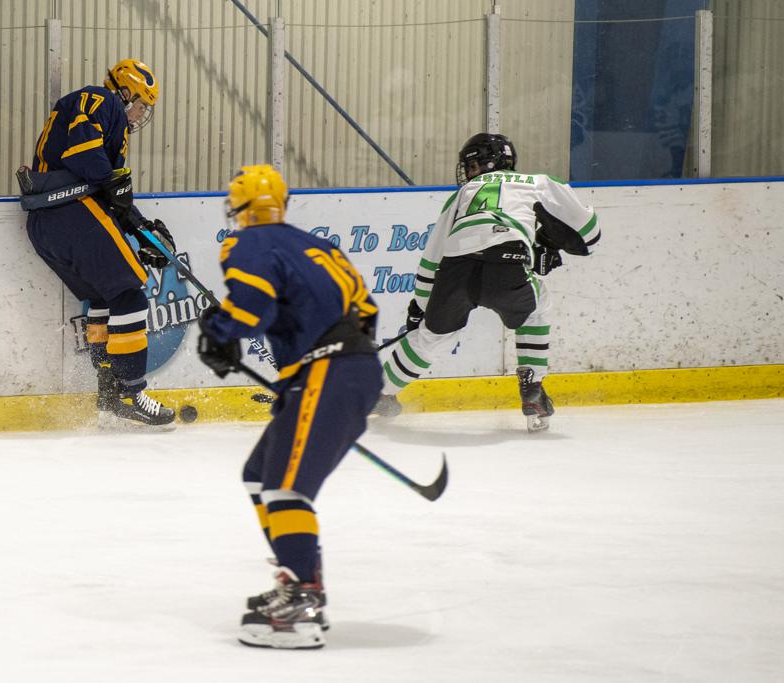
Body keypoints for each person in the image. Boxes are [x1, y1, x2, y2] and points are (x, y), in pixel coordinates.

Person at [197, 164, 382, 649]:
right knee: (259, 475)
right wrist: (309, 369)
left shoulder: (246, 242)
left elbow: (252, 304)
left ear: (239, 209)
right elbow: (367, 312)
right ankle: (299, 578)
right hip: (344, 369)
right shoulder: (319, 246)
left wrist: (219, 332)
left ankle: (303, 600)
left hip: (329, 372)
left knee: (285, 486)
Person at [375, 133, 601, 431]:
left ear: (490, 163)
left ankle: (380, 393)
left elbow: (432, 258)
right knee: (536, 308)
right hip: (506, 263)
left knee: (431, 337)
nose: (469, 173)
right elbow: (589, 235)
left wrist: (421, 306)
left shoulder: (462, 194)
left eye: (472, 166)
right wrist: (547, 243)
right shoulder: (538, 183)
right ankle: (532, 388)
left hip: (456, 267)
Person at [22, 59, 176, 427]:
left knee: (105, 301)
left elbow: (110, 194)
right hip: (71, 212)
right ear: (126, 93)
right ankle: (130, 392)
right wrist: (116, 189)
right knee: (130, 296)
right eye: (141, 104)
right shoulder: (100, 100)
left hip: (49, 221)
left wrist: (141, 228)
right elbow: (87, 161)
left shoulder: (112, 123)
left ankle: (108, 390)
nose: (141, 113)